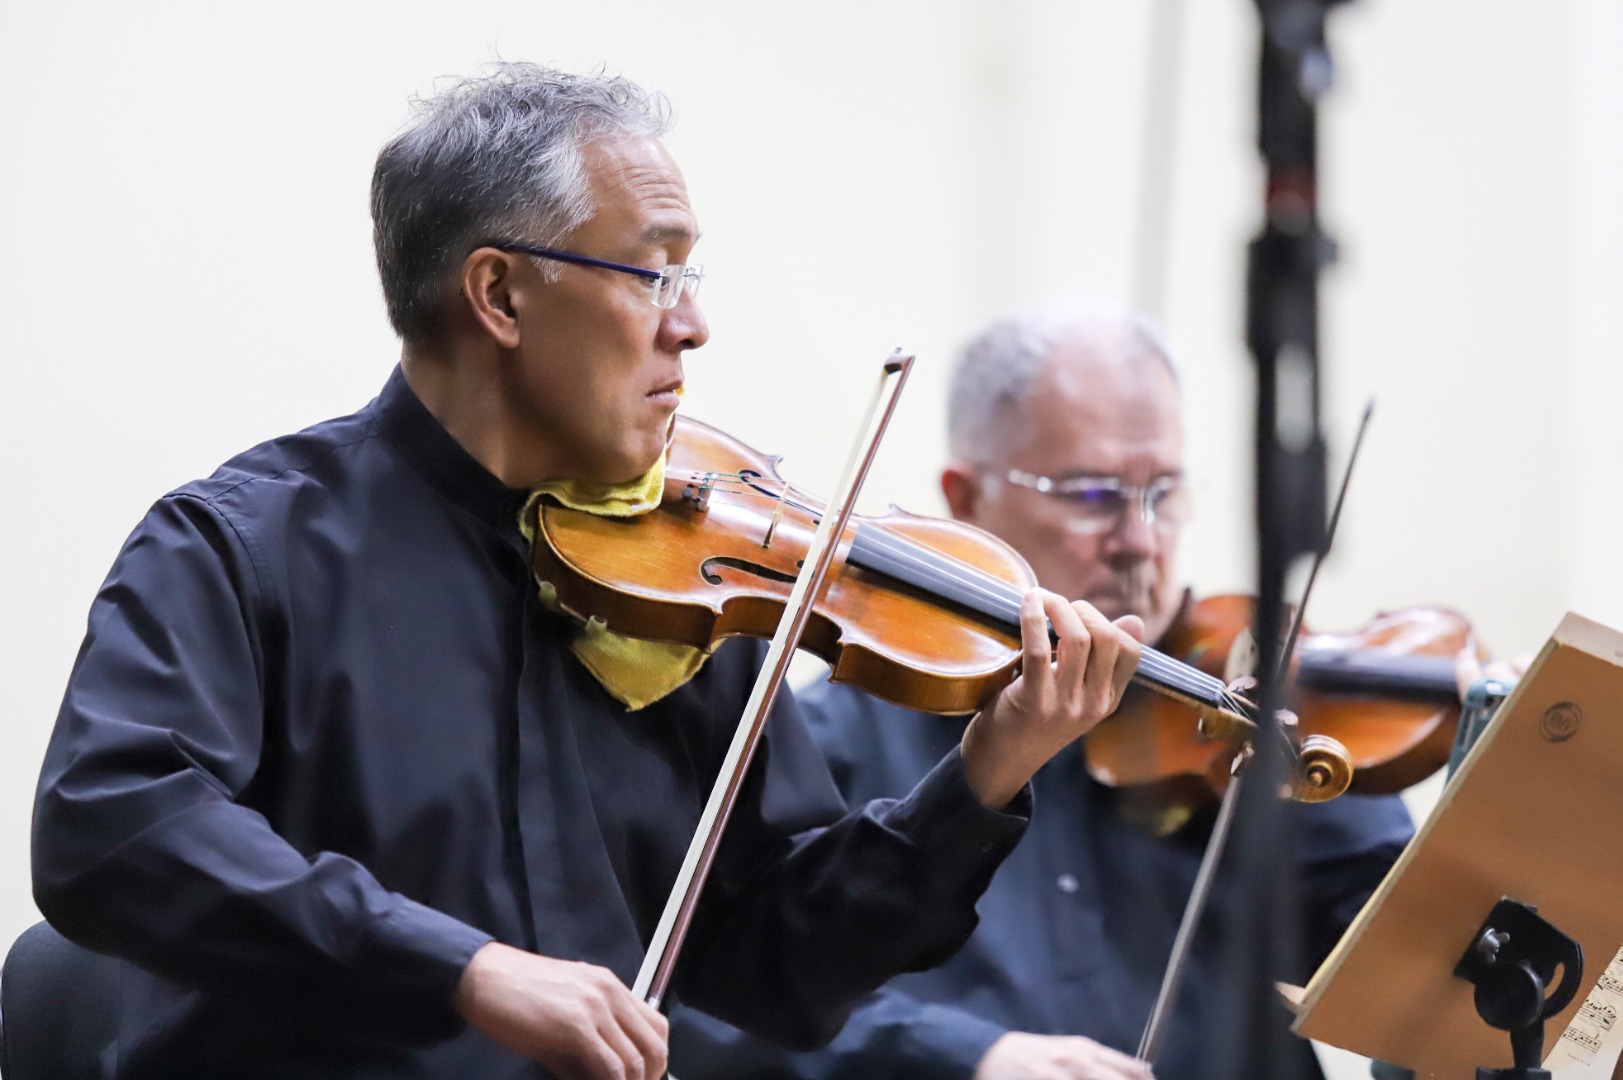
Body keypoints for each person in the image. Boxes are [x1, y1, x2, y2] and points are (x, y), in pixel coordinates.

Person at [28, 68, 1147, 1080]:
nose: (692, 326)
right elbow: (111, 822)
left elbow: (773, 969)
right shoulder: (243, 547)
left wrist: (985, 772)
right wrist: (463, 969)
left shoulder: (688, 590)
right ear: (500, 296)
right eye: (655, 274)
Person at [669, 297, 1415, 1080]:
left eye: (1163, 492)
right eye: (1091, 494)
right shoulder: (835, 740)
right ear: (965, 499)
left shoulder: (1248, 718)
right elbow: (716, 996)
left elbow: (1418, 978)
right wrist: (969, 1060)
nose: (1139, 541)